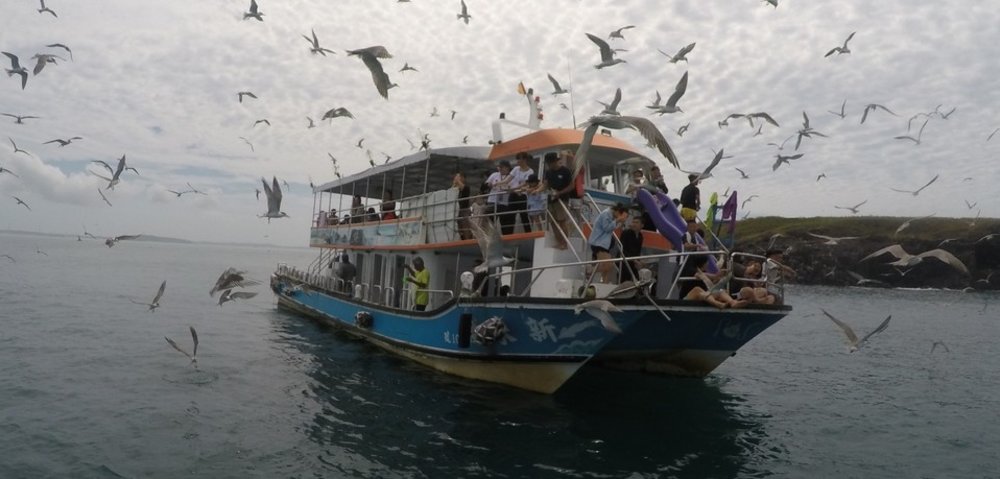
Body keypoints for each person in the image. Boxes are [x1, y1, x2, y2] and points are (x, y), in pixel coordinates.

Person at [678, 255, 747, 309]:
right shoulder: (692, 272)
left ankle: (733, 302)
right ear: (703, 263)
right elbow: (702, 277)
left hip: (704, 296)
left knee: (720, 292)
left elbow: (711, 282)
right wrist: (712, 279)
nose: (708, 263)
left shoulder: (702, 272)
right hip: (688, 299)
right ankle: (717, 303)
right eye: (707, 262)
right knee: (697, 289)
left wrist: (718, 276)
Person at [541, 152, 575, 250]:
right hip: (551, 200)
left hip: (562, 200)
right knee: (553, 222)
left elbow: (571, 186)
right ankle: (559, 242)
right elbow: (545, 185)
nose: (548, 165)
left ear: (554, 162)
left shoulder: (565, 171)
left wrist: (560, 193)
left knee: (562, 221)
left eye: (549, 163)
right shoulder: (548, 172)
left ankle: (564, 243)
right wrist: (536, 190)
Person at [588, 203, 629, 283]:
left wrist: (620, 222)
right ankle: (590, 270)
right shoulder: (606, 214)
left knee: (608, 268)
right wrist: (617, 220)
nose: (619, 217)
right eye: (621, 215)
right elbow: (607, 228)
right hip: (598, 243)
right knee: (608, 265)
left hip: (604, 244)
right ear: (618, 211)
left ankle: (605, 284)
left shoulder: (611, 216)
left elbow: (612, 228)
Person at [507, 152, 535, 233]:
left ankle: (528, 233)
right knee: (510, 215)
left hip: (522, 195)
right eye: (518, 159)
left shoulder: (530, 171)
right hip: (513, 194)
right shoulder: (516, 169)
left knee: (524, 216)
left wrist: (514, 189)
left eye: (519, 159)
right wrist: (500, 183)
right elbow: (508, 179)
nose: (518, 161)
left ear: (524, 160)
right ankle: (509, 234)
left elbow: (525, 183)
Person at [486, 159, 514, 234]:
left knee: (505, 223)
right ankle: (489, 236)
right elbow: (487, 184)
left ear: (507, 167)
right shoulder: (494, 174)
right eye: (499, 167)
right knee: (489, 221)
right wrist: (490, 185)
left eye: (502, 167)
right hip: (492, 201)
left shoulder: (511, 176)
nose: (500, 168)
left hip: (504, 202)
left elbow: (514, 188)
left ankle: (506, 237)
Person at [619, 216, 644, 282]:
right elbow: (622, 250)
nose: (634, 224)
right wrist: (634, 260)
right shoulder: (626, 233)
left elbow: (638, 251)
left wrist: (638, 261)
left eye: (636, 222)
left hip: (633, 261)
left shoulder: (640, 236)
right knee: (626, 277)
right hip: (624, 260)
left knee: (638, 278)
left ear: (642, 225)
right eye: (633, 222)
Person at [453, 172, 473, 240]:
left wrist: (458, 181)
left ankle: (467, 239)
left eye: (459, 177)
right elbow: (450, 192)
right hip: (457, 211)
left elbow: (463, 188)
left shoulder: (466, 188)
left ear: (463, 178)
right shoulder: (456, 189)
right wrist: (454, 184)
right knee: (457, 227)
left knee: (465, 227)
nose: (457, 178)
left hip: (464, 210)